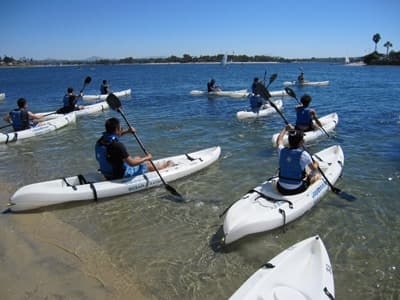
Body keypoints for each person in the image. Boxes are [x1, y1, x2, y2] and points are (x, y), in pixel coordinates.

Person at [95, 117, 172, 180]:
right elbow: (131, 163)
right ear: (116, 130)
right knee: (145, 164)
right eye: (121, 128)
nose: (122, 129)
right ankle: (163, 168)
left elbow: (113, 137)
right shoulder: (118, 146)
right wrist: (147, 157)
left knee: (138, 158)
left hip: (106, 172)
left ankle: (151, 165)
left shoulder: (101, 141)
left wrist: (128, 131)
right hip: (120, 175)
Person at [276, 124, 320, 195]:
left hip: (280, 188)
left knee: (303, 172)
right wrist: (317, 164)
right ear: (301, 142)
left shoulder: (281, 150)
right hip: (296, 189)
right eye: (302, 138)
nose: (303, 139)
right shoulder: (304, 154)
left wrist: (285, 129)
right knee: (316, 174)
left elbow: (279, 140)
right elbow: (313, 168)